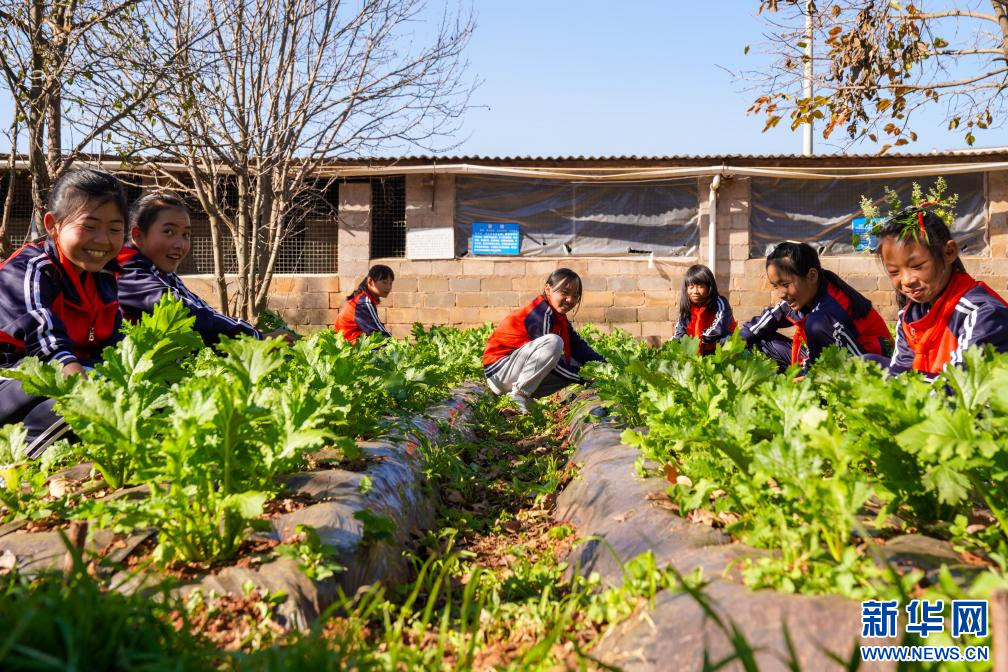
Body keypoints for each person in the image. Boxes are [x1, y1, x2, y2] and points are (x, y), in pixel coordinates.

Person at [0, 167, 126, 458]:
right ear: (52, 225)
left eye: (114, 229)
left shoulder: (105, 277)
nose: (103, 240)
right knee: (76, 404)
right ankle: (12, 461)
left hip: (62, 378)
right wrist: (95, 398)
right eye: (89, 226)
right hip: (12, 379)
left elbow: (114, 347)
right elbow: (47, 346)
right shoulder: (31, 270)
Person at [117, 191, 289, 345]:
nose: (180, 244)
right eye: (168, 232)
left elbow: (201, 309)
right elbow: (188, 313)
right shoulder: (128, 272)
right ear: (138, 236)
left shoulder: (160, 272)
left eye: (186, 235)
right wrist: (256, 339)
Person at [876, 204, 1008, 378]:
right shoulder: (909, 316)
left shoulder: (982, 313)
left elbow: (962, 386)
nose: (907, 280)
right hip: (933, 391)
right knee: (871, 363)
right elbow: (902, 371)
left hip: (968, 393)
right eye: (894, 272)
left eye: (917, 266)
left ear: (949, 253)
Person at [740, 241, 893, 373]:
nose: (780, 294)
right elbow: (770, 318)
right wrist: (734, 344)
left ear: (812, 276)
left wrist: (806, 377)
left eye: (785, 284)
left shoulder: (828, 311)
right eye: (775, 286)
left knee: (816, 325)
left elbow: (851, 362)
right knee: (759, 339)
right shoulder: (807, 294)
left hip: (872, 367)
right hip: (825, 361)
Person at [483, 268, 605, 413]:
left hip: (513, 373)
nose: (570, 300)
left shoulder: (558, 316)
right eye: (565, 293)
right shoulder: (540, 314)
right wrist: (585, 378)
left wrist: (605, 368)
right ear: (548, 289)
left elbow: (577, 347)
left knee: (576, 362)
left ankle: (523, 397)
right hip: (500, 373)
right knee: (554, 342)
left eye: (575, 296)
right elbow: (551, 362)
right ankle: (519, 395)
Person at [673, 264, 736, 355]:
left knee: (726, 339)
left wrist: (696, 341)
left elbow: (719, 329)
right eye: (691, 287)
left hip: (716, 347)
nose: (695, 291)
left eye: (700, 286)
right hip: (697, 349)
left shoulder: (720, 302)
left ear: (709, 287)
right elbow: (679, 332)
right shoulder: (686, 308)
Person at [334, 264, 394, 344]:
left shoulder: (362, 299)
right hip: (349, 347)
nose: (388, 287)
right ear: (370, 282)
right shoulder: (363, 302)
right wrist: (396, 346)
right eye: (384, 282)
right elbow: (377, 332)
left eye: (390, 283)